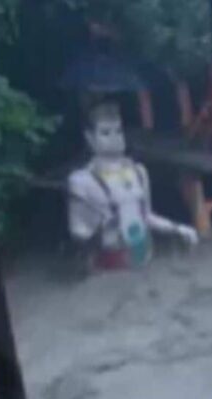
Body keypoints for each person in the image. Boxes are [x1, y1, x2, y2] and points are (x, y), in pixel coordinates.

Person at [67, 102, 197, 272]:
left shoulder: (138, 172)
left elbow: (147, 216)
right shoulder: (81, 180)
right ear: (90, 137)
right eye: (105, 133)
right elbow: (77, 230)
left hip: (143, 254)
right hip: (108, 261)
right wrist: (98, 229)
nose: (114, 138)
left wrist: (177, 229)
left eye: (118, 131)